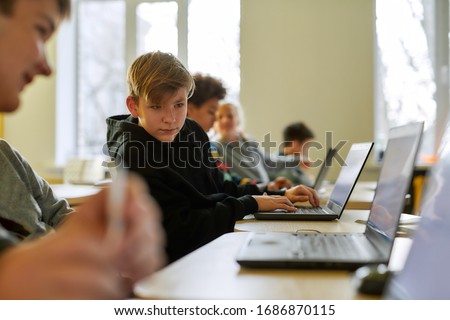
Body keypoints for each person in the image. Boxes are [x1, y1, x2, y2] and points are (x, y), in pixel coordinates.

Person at [0, 0, 166, 299]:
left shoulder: (6, 155)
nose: (46, 67)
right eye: (40, 30)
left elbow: (59, 214)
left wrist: (104, 238)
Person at [106, 51, 319, 262]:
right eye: (156, 106)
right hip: (176, 264)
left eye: (179, 105)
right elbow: (180, 232)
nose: (171, 119)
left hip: (209, 248)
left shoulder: (190, 131)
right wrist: (250, 203)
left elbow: (216, 186)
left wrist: (275, 195)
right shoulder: (133, 154)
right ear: (134, 106)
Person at [212, 102, 304, 186]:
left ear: (238, 120)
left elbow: (269, 162)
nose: (225, 121)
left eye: (230, 116)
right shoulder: (215, 147)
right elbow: (226, 179)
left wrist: (297, 160)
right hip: (248, 194)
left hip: (267, 190)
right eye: (220, 117)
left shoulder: (248, 140)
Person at [276, 122, 315, 186]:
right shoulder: (282, 168)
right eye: (306, 145)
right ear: (295, 144)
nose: (307, 149)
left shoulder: (293, 161)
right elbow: (306, 185)